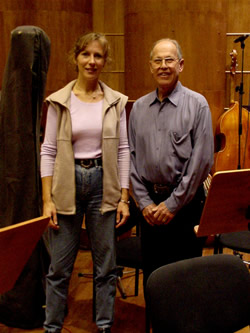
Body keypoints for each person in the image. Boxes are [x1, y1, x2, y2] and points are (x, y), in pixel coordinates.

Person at [40, 32, 130, 333]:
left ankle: (104, 326)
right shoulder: (58, 101)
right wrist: (47, 200)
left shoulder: (116, 102)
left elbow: (122, 150)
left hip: (104, 185)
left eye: (98, 56)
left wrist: (123, 198)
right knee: (59, 269)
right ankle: (52, 328)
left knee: (106, 267)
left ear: (105, 62)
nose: (92, 61)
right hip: (67, 184)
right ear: (75, 58)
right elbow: (48, 150)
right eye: (86, 54)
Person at [128, 38, 214, 290]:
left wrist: (173, 204)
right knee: (155, 280)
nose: (163, 66)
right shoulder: (139, 108)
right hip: (150, 210)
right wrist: (143, 203)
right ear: (150, 66)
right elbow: (130, 159)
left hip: (185, 208)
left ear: (181, 65)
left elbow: (202, 161)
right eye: (158, 60)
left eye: (169, 60)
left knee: (185, 280)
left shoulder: (197, 105)